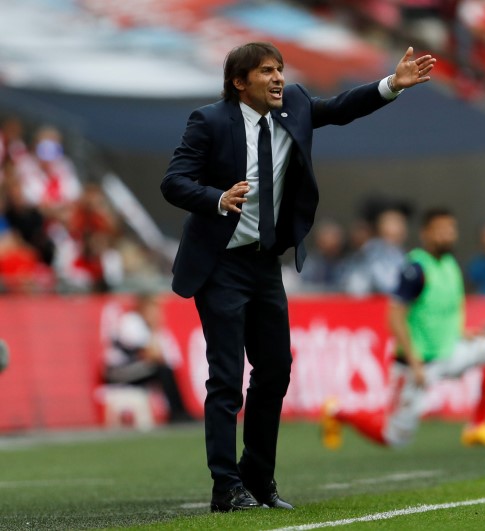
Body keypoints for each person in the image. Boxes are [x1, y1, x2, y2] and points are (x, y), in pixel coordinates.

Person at [161, 42, 435, 513]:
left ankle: (258, 477)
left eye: (280, 70)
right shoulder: (208, 122)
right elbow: (174, 181)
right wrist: (216, 198)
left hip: (265, 264)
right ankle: (225, 486)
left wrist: (392, 85)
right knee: (226, 377)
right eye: (265, 71)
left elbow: (342, 108)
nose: (277, 78)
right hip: (221, 264)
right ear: (238, 82)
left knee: (276, 370)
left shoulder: (296, 106)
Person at [320, 208, 485, 450]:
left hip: (449, 351)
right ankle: (337, 411)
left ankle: (478, 425)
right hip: (418, 365)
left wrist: (462, 332)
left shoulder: (450, 264)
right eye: (440, 230)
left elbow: (441, 311)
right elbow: (395, 316)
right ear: (426, 234)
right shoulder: (416, 269)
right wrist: (414, 361)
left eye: (450, 229)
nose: (447, 234)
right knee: (393, 438)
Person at [104, 293, 191, 424]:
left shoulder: (153, 328)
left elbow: (168, 358)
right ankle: (176, 414)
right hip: (118, 372)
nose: (157, 313)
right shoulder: (131, 322)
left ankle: (180, 412)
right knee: (163, 371)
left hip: (139, 369)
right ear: (144, 308)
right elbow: (150, 355)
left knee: (167, 370)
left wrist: (155, 330)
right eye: (154, 308)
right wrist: (155, 330)